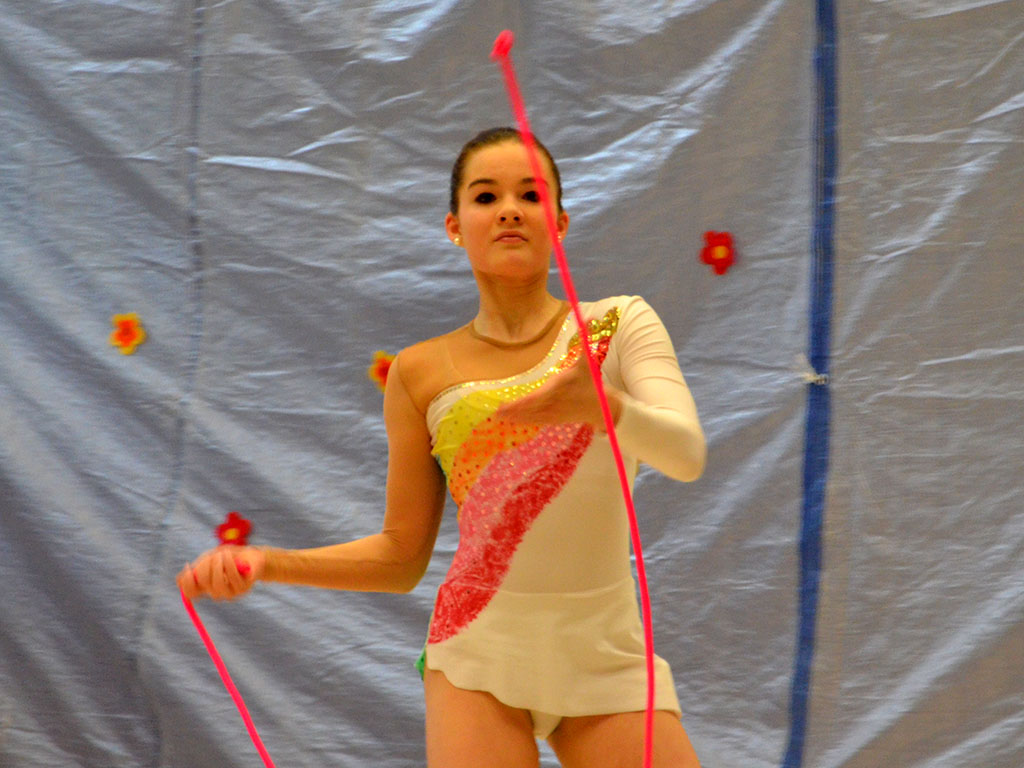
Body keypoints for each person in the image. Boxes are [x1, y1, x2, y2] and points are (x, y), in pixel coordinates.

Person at [178, 126, 706, 768]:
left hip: (607, 653)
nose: (509, 209)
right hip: (477, 655)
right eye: (486, 197)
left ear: (561, 223)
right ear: (455, 227)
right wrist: (267, 563)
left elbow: (686, 455)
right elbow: (401, 557)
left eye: (531, 195)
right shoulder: (418, 372)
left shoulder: (617, 326)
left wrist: (609, 410)